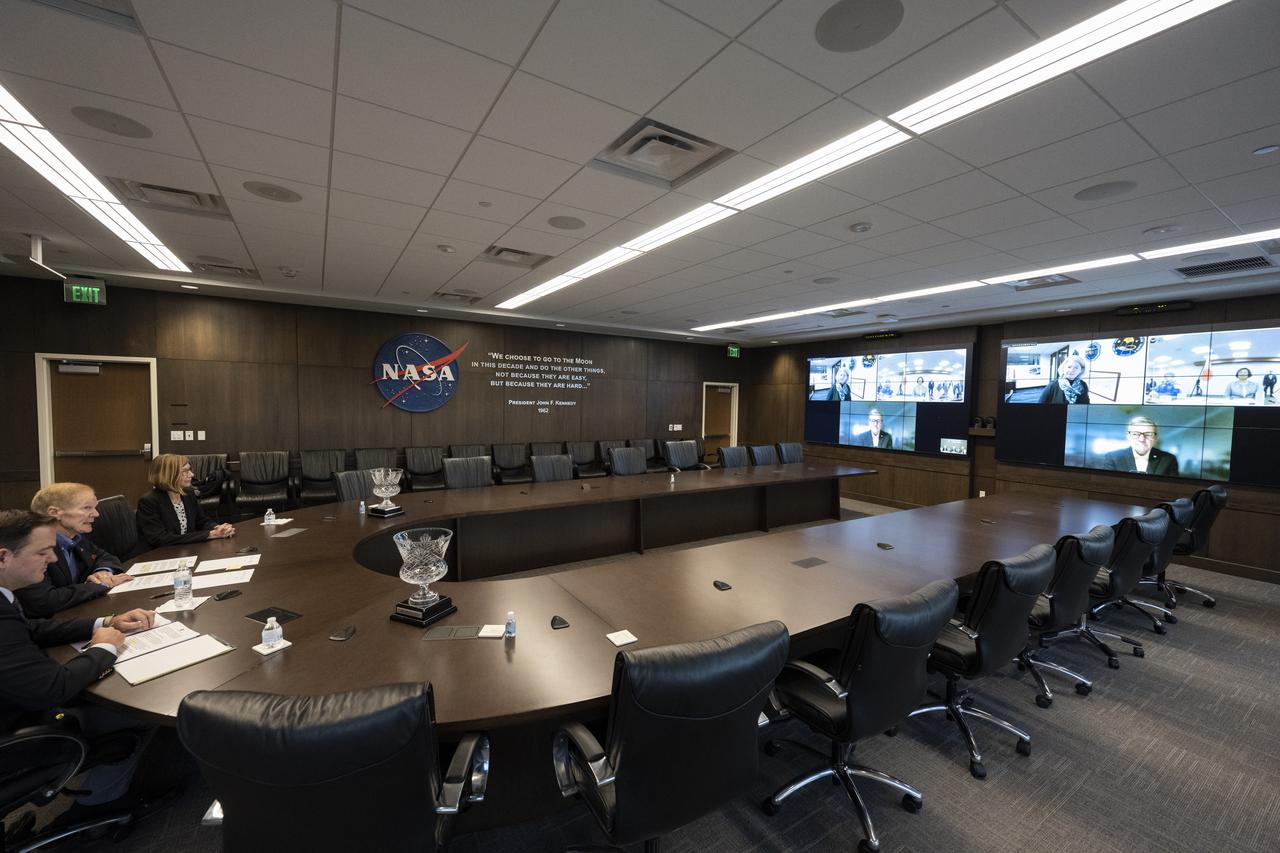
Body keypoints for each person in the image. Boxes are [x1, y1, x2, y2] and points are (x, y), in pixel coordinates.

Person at [0, 510, 156, 819]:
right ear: (3, 557)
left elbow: (32, 629)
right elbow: (52, 689)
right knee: (134, 707)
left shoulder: (5, 597)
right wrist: (103, 648)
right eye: (43, 552)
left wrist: (107, 621)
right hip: (17, 734)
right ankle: (97, 807)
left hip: (17, 701)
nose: (54, 559)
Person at [17, 483, 132, 618]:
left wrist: (102, 572)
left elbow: (104, 556)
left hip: (78, 614)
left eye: (94, 507)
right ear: (54, 513)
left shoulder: (75, 536)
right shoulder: (32, 549)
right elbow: (45, 601)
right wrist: (100, 585)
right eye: (87, 508)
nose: (96, 514)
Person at [136, 454, 235, 549]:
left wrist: (218, 528)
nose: (191, 474)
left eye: (190, 470)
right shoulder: (148, 502)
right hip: (161, 555)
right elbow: (161, 539)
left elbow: (202, 521)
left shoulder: (188, 493)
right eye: (185, 471)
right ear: (169, 474)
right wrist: (210, 534)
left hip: (187, 550)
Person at [1100, 416, 1179, 475]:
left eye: (1148, 434)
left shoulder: (1169, 459)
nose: (1142, 439)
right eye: (1136, 434)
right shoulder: (1112, 457)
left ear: (1155, 438)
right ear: (1128, 436)